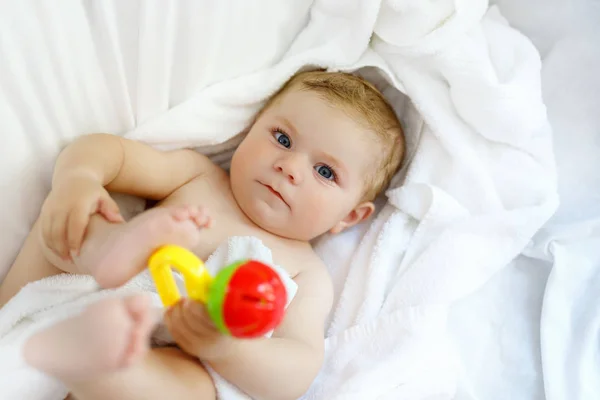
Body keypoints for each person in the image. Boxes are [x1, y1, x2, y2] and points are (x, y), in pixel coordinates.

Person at [0, 70, 405, 400]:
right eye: (282, 138)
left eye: (325, 172)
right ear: (251, 128)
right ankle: (111, 249)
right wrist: (79, 178)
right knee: (73, 217)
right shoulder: (199, 176)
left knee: (198, 385)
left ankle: (106, 366)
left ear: (351, 216)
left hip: (166, 353)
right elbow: (113, 153)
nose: (290, 167)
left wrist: (226, 350)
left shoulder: (305, 272)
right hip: (80, 290)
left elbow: (297, 369)